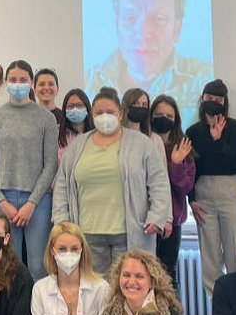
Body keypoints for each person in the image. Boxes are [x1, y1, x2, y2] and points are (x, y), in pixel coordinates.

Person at [52, 87, 170, 275]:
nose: (104, 116)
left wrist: (157, 216)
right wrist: (62, 220)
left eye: (110, 112)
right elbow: (61, 185)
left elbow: (159, 184)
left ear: (120, 114)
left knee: (129, 287)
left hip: (130, 233)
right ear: (92, 114)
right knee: (94, 291)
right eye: (99, 113)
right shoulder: (78, 145)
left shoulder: (142, 144)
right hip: (87, 233)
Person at [85, 0, 213, 118]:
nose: (143, 33)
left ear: (177, 29)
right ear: (117, 26)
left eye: (159, 19)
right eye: (130, 18)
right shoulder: (90, 82)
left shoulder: (202, 79)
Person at [0, 60, 58, 280]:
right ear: (5, 82)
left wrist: (31, 203)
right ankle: (11, 314)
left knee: (38, 266)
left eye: (23, 80)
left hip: (37, 202)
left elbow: (50, 165)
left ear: (31, 83)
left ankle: (39, 314)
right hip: (3, 199)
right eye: (13, 80)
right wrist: (2, 201)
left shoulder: (46, 118)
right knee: (6, 265)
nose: (18, 84)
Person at [186, 80, 236, 295]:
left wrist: (217, 140)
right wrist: (191, 199)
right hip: (203, 192)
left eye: (218, 100)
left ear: (225, 102)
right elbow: (191, 168)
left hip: (229, 189)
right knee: (210, 255)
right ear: (202, 99)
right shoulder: (193, 131)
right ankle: (217, 306)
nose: (213, 103)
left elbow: (235, 162)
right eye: (209, 98)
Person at [150, 95, 194, 286]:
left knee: (167, 273)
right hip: (145, 219)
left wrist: (175, 164)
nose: (164, 118)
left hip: (172, 221)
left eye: (169, 115)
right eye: (159, 114)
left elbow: (186, 186)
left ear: (176, 119)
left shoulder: (183, 146)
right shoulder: (142, 142)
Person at [58, 89, 94, 161]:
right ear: (65, 110)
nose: (75, 109)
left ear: (87, 108)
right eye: (71, 106)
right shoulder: (57, 134)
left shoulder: (96, 134)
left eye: (79, 105)